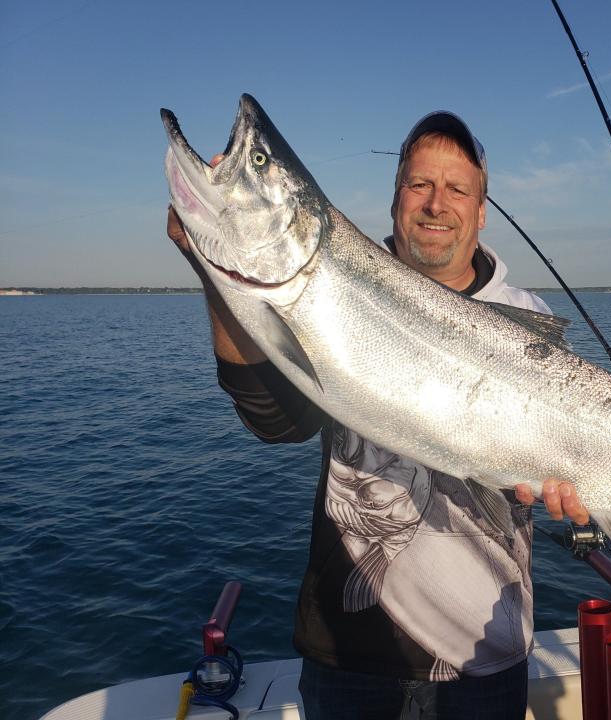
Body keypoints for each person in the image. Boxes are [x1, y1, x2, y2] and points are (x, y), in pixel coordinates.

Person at [167, 111, 588, 719]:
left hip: (484, 660)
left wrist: (579, 490)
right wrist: (211, 263)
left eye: (457, 189)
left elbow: (568, 466)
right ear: (395, 198)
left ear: (480, 210)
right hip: (349, 654)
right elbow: (274, 421)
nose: (436, 203)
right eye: (420, 185)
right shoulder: (334, 285)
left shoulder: (525, 318)